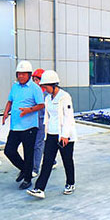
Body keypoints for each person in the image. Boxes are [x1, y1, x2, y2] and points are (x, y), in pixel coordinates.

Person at [27, 70, 77, 199]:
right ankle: (39, 188)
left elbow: (68, 117)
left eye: (46, 87)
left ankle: (70, 183)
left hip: (64, 135)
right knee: (47, 161)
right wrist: (46, 133)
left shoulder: (65, 97)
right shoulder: (48, 98)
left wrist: (65, 135)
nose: (45, 89)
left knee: (67, 160)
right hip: (51, 134)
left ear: (54, 85)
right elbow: (48, 117)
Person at [2, 60, 45, 190]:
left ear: (29, 75)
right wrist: (5, 113)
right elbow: (10, 101)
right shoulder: (15, 87)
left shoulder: (35, 88)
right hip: (15, 126)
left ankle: (27, 179)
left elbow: (41, 104)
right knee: (9, 150)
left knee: (28, 153)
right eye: (19, 74)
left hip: (29, 126)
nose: (20, 76)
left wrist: (29, 110)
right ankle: (25, 169)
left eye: (23, 74)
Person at [31, 68, 46, 177]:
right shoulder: (33, 91)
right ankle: (52, 160)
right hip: (33, 120)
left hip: (42, 120)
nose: (35, 82)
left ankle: (35, 168)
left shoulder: (46, 94)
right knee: (38, 143)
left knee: (38, 144)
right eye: (34, 80)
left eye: (37, 80)